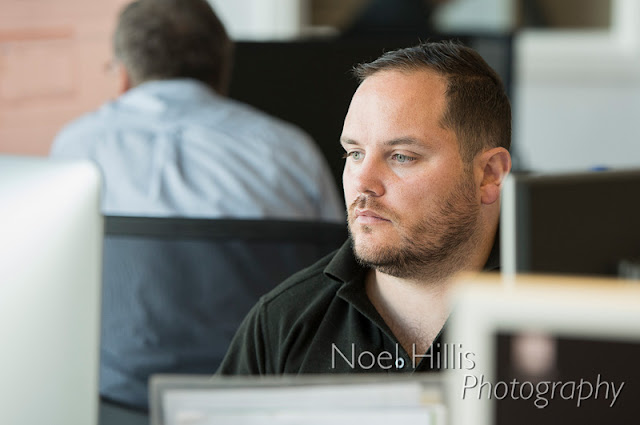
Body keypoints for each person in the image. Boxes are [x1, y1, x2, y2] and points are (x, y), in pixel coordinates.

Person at [217, 40, 512, 375]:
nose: (362, 182)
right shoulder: (282, 324)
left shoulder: (558, 310)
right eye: (354, 154)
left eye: (402, 156)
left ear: (489, 174)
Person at [50, 0, 343, 222]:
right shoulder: (290, 152)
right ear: (223, 70)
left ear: (123, 76)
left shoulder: (76, 148)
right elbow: (339, 267)